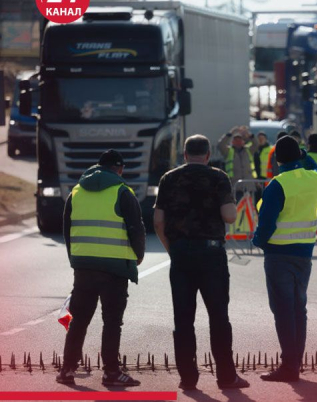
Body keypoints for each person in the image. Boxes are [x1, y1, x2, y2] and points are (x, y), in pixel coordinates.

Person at [153, 135, 250, 390]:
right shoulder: (218, 177)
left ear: (185, 155)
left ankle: (188, 378)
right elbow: (229, 216)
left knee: (183, 320)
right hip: (211, 255)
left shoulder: (169, 178)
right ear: (207, 155)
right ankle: (227, 377)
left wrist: (172, 249)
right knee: (218, 317)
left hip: (181, 255)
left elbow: (158, 221)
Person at [56, 150, 145, 387]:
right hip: (114, 269)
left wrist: (75, 259)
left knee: (79, 320)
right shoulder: (122, 192)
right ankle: (111, 373)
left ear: (98, 166)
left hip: (84, 267)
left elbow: (67, 230)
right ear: (120, 169)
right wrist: (138, 257)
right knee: (112, 322)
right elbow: (136, 228)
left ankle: (67, 370)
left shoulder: (76, 192)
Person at [253, 136, 317, 382]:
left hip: (278, 254)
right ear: (299, 157)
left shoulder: (277, 185)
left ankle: (289, 366)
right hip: (304, 254)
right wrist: (305, 154)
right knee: (298, 309)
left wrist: (258, 242)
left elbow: (266, 224)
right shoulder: (315, 178)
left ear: (277, 160)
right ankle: (295, 363)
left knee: (283, 311)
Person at [217, 126, 258, 199]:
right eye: (236, 140)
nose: (238, 141)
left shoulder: (249, 150)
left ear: (243, 141)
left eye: (240, 140)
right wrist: (230, 133)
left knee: (250, 209)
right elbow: (220, 145)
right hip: (236, 187)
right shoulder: (228, 151)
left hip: (249, 187)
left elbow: (256, 144)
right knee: (238, 209)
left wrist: (248, 134)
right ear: (232, 142)